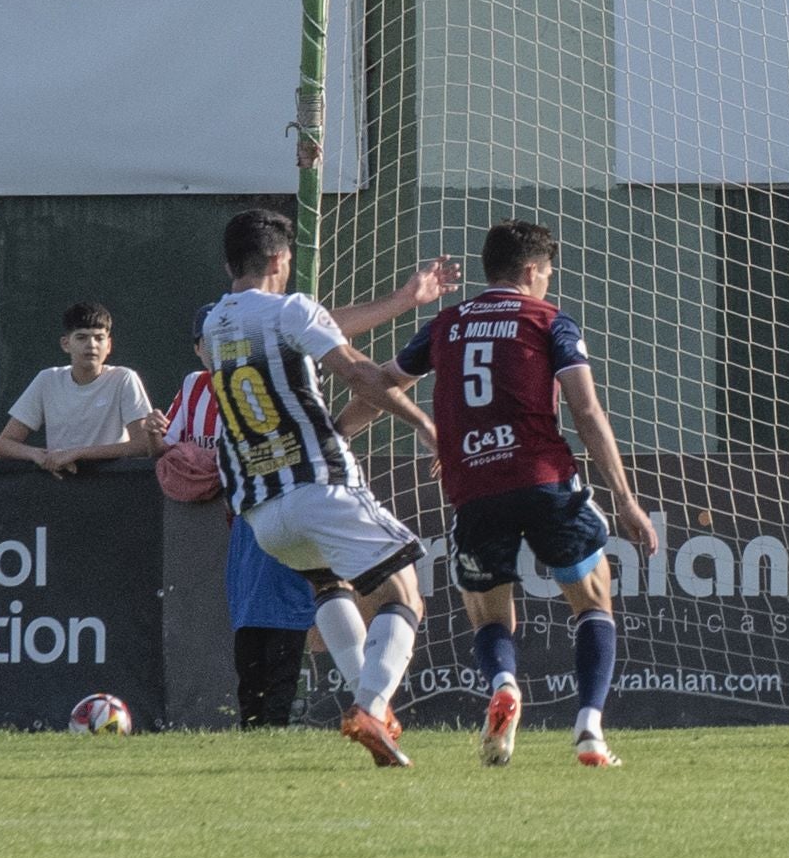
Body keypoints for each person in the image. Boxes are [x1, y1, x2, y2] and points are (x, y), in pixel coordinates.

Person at [362, 221, 658, 770]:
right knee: (594, 601)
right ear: (530, 271)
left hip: (474, 487)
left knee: (490, 616)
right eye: (547, 271)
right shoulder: (548, 321)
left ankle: (503, 684)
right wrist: (624, 497)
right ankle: (589, 730)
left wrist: (431, 429)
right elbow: (586, 411)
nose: (549, 281)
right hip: (544, 479)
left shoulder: (446, 324)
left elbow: (381, 381)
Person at [162, 259, 457, 729]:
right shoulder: (289, 310)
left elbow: (318, 322)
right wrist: (424, 423)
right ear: (281, 260)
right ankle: (372, 707)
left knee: (328, 583)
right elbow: (358, 371)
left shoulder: (216, 325)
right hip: (318, 482)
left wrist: (402, 301)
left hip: (260, 508)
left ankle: (369, 708)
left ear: (227, 263)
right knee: (404, 592)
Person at [0, 303, 160, 477]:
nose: (92, 345)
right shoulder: (47, 379)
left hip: (114, 485)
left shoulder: (124, 378)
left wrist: (77, 453)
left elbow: (142, 445)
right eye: (82, 337)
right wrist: (39, 456)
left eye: (99, 338)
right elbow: (4, 444)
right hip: (60, 487)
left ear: (109, 345)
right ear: (66, 344)